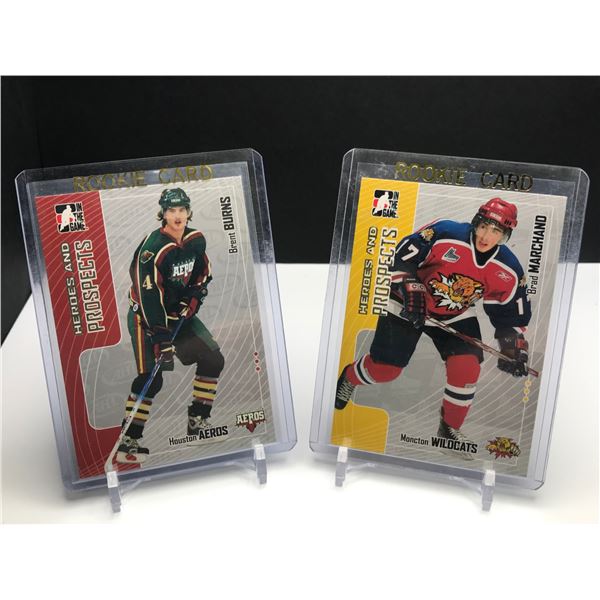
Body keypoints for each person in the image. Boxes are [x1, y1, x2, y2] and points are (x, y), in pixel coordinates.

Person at [335, 197, 531, 459]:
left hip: (453, 313)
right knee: (386, 370)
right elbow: (401, 256)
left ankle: (448, 429)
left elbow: (510, 313)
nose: (486, 236)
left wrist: (513, 346)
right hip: (407, 302)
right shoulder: (445, 231)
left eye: (496, 231)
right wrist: (410, 287)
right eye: (484, 226)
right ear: (476, 222)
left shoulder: (509, 269)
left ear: (506, 235)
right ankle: (350, 377)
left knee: (468, 366)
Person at [116, 188, 225, 464]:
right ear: (163, 214)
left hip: (177, 315)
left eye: (182, 210)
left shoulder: (195, 239)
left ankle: (197, 422)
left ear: (188, 212)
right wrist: (161, 338)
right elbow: (149, 296)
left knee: (213, 359)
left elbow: (203, 273)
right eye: (171, 210)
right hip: (147, 318)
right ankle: (129, 439)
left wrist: (194, 296)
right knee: (152, 379)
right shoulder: (152, 249)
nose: (177, 215)